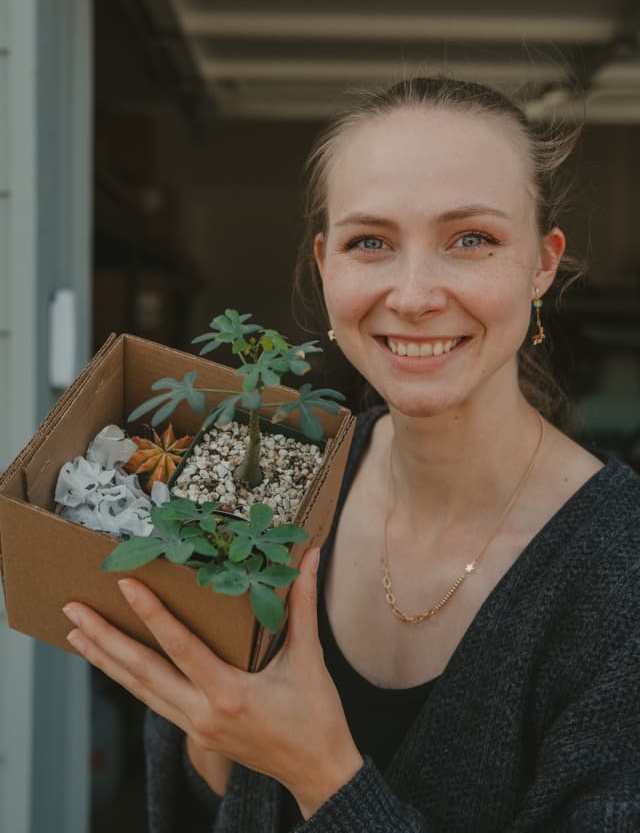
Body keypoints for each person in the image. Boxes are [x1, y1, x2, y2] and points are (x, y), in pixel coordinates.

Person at [62, 77, 640, 832]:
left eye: (472, 239)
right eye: (371, 242)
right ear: (324, 261)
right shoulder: (264, 467)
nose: (414, 294)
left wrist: (322, 774)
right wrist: (214, 730)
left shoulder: (620, 570)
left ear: (542, 263)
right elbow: (196, 797)